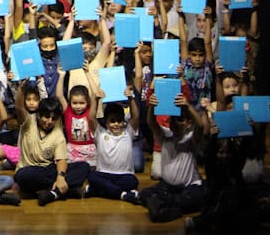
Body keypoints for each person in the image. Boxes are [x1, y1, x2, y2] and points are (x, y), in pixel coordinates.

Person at [139, 90, 207, 223]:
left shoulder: (190, 138)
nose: (176, 123)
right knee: (144, 193)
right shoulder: (165, 136)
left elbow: (200, 125)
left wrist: (187, 105)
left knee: (197, 197)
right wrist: (152, 106)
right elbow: (151, 122)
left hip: (189, 187)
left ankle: (164, 207)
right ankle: (169, 207)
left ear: (188, 123)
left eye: (180, 120)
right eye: (173, 120)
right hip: (167, 187)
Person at [13, 95, 91, 205]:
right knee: (22, 176)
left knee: (84, 167)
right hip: (29, 170)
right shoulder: (29, 123)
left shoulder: (58, 135)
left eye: (54, 119)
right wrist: (20, 91)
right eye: (46, 117)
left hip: (48, 170)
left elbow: (61, 160)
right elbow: (19, 108)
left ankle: (53, 193)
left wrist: (61, 177)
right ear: (39, 115)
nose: (49, 121)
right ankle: (65, 190)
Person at [86, 88, 142, 203]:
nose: (116, 124)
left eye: (119, 121)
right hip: (104, 174)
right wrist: (96, 99)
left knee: (133, 182)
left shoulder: (128, 132)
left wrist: (131, 99)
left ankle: (98, 191)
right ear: (106, 122)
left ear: (123, 121)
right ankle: (123, 195)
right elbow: (91, 118)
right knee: (92, 177)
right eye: (112, 121)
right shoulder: (100, 133)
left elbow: (136, 117)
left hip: (124, 176)